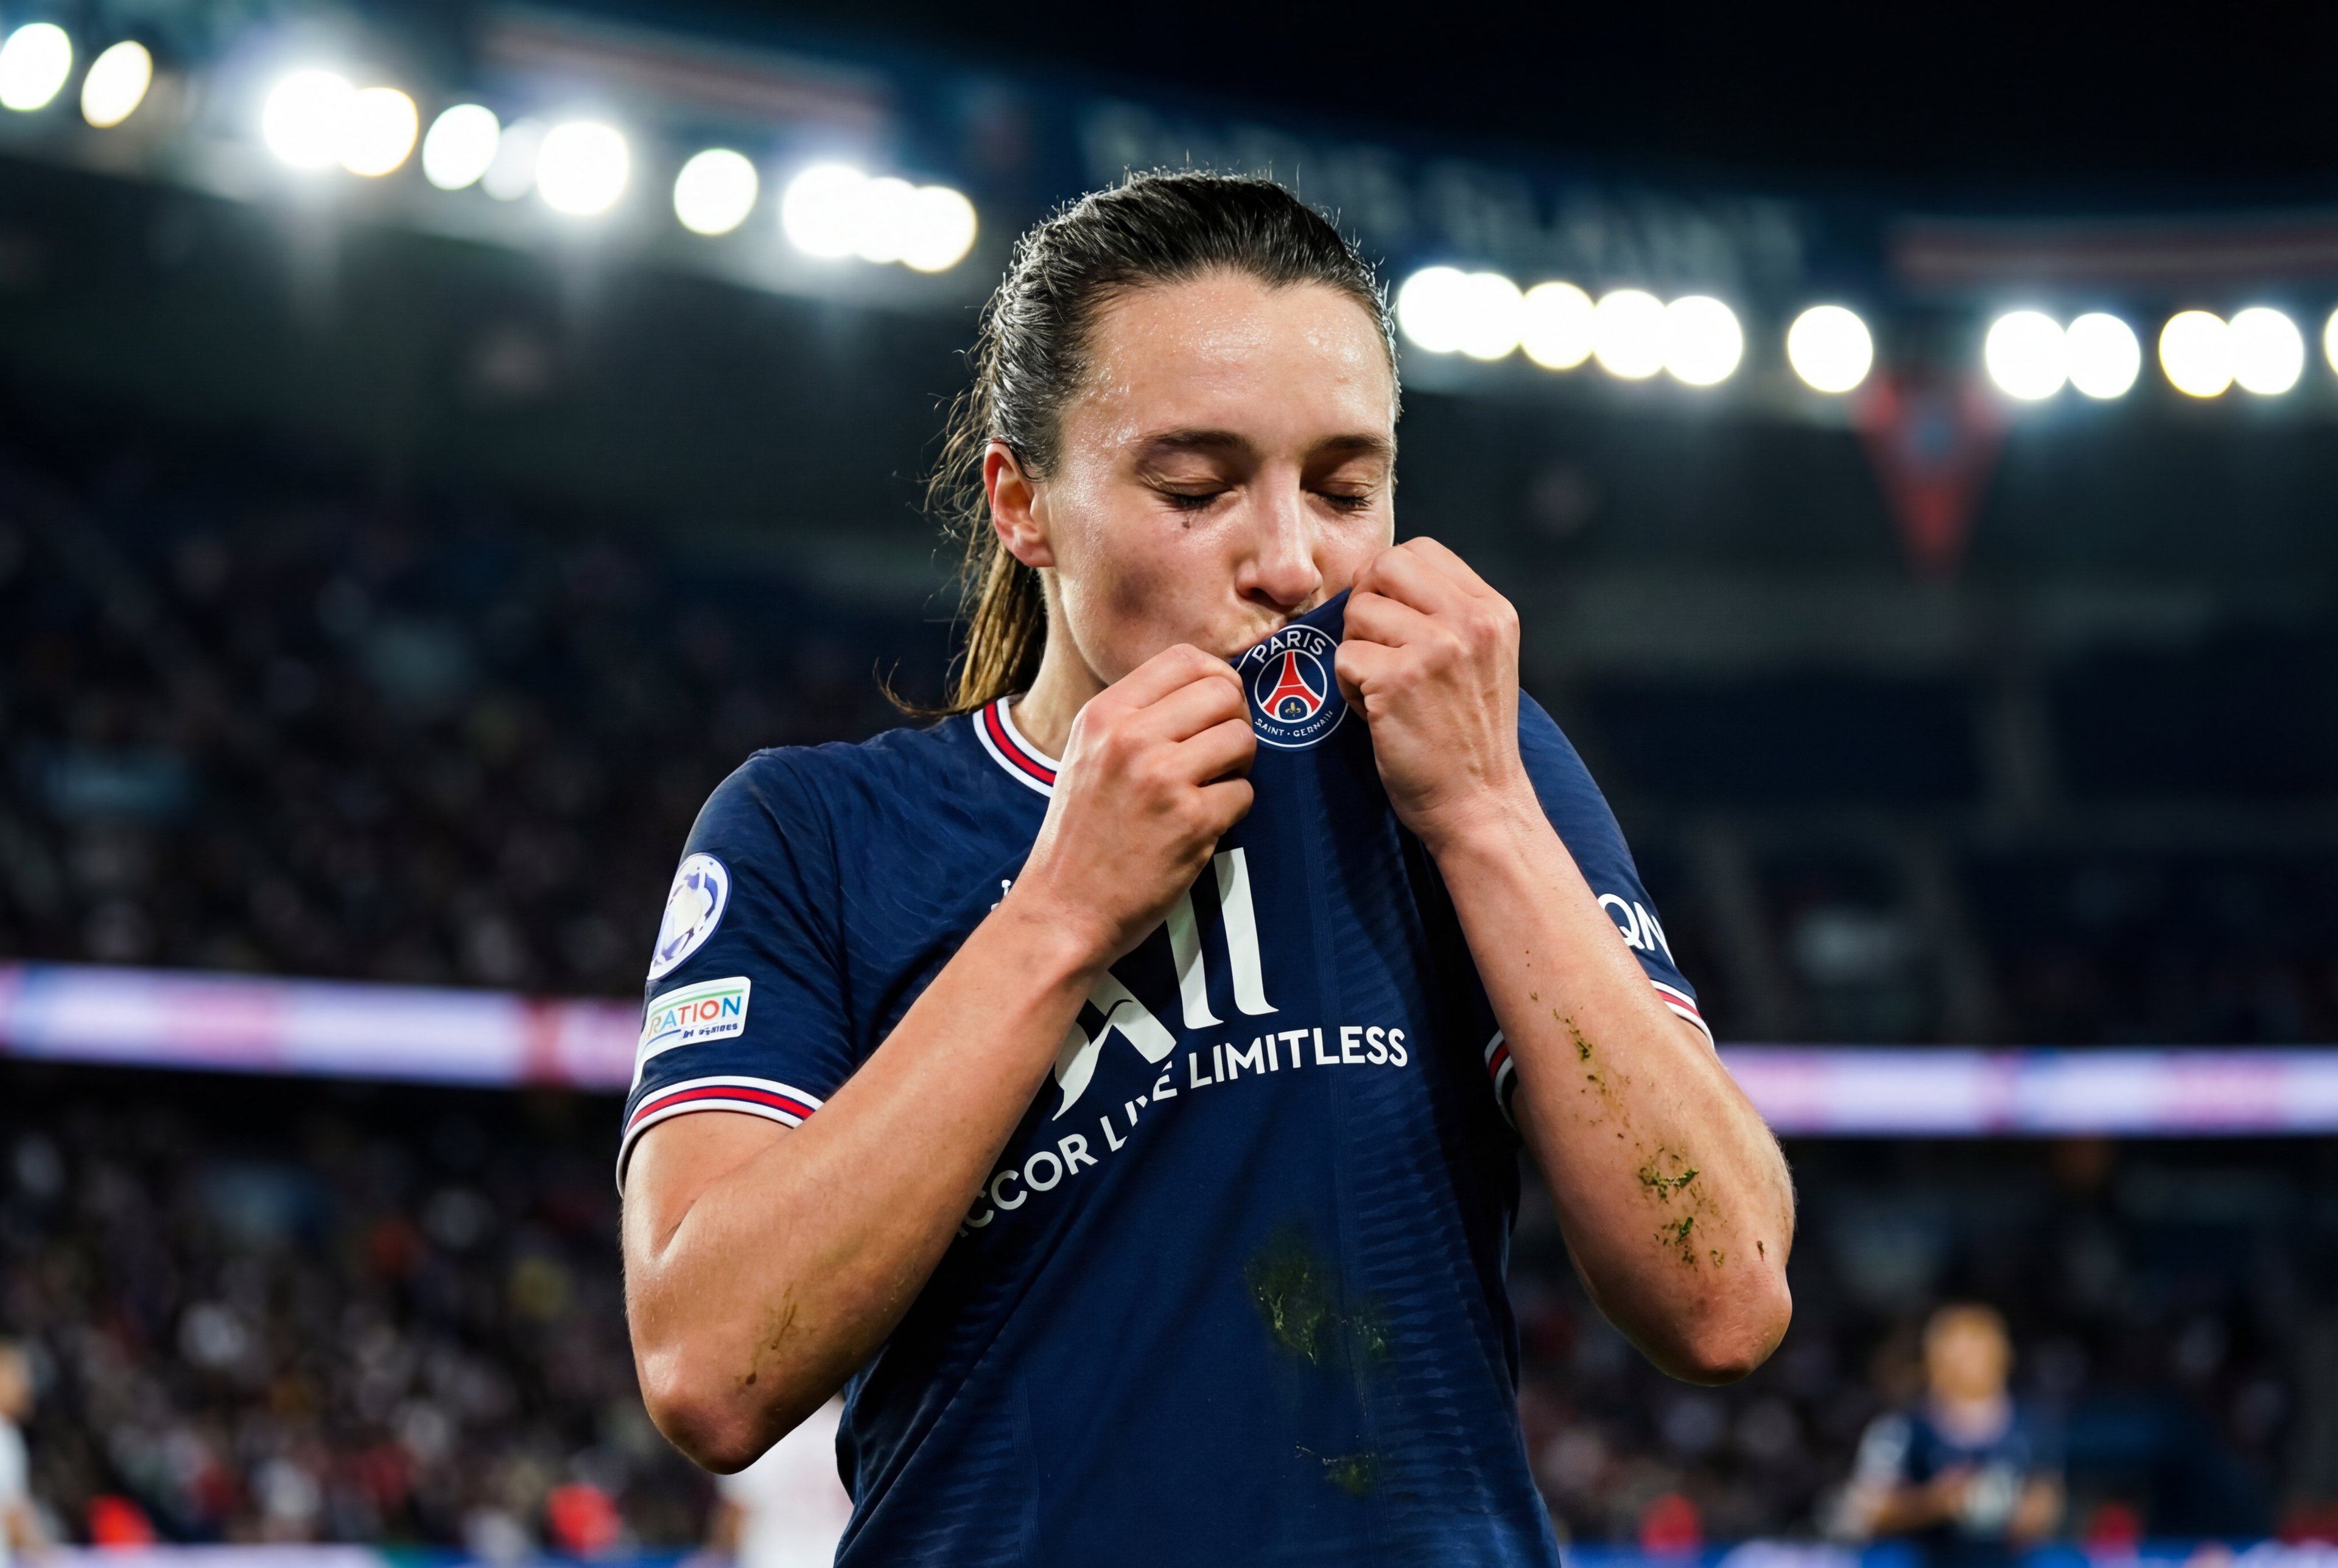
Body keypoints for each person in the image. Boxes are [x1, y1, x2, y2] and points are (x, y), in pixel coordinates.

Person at [620, 170, 1796, 1563]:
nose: (1291, 562)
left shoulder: (1457, 768)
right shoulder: (815, 833)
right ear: (1022, 502)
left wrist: (1486, 815)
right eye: (1196, 487)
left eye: (1346, 488)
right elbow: (710, 1369)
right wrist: (1059, 914)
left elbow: (1723, 1296)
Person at [1845, 1304, 2063, 1568]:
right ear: (1932, 1361)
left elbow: (2047, 1501)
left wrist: (2028, 1514)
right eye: (1956, 1353)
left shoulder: (2031, 1427)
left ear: (2003, 1356)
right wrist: (1933, 1502)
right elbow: (1865, 1511)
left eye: (1976, 1350)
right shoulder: (1902, 1428)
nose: (1967, 1363)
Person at [707, 1396, 854, 1568]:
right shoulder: (850, 1427)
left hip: (774, 1560)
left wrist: (716, 1555)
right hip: (839, 1558)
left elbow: (736, 1513)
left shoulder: (757, 1435)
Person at [0, 1342, 44, 1568]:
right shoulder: (4, 1435)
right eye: (16, 1377)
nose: (25, 1388)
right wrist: (46, 1558)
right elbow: (15, 1515)